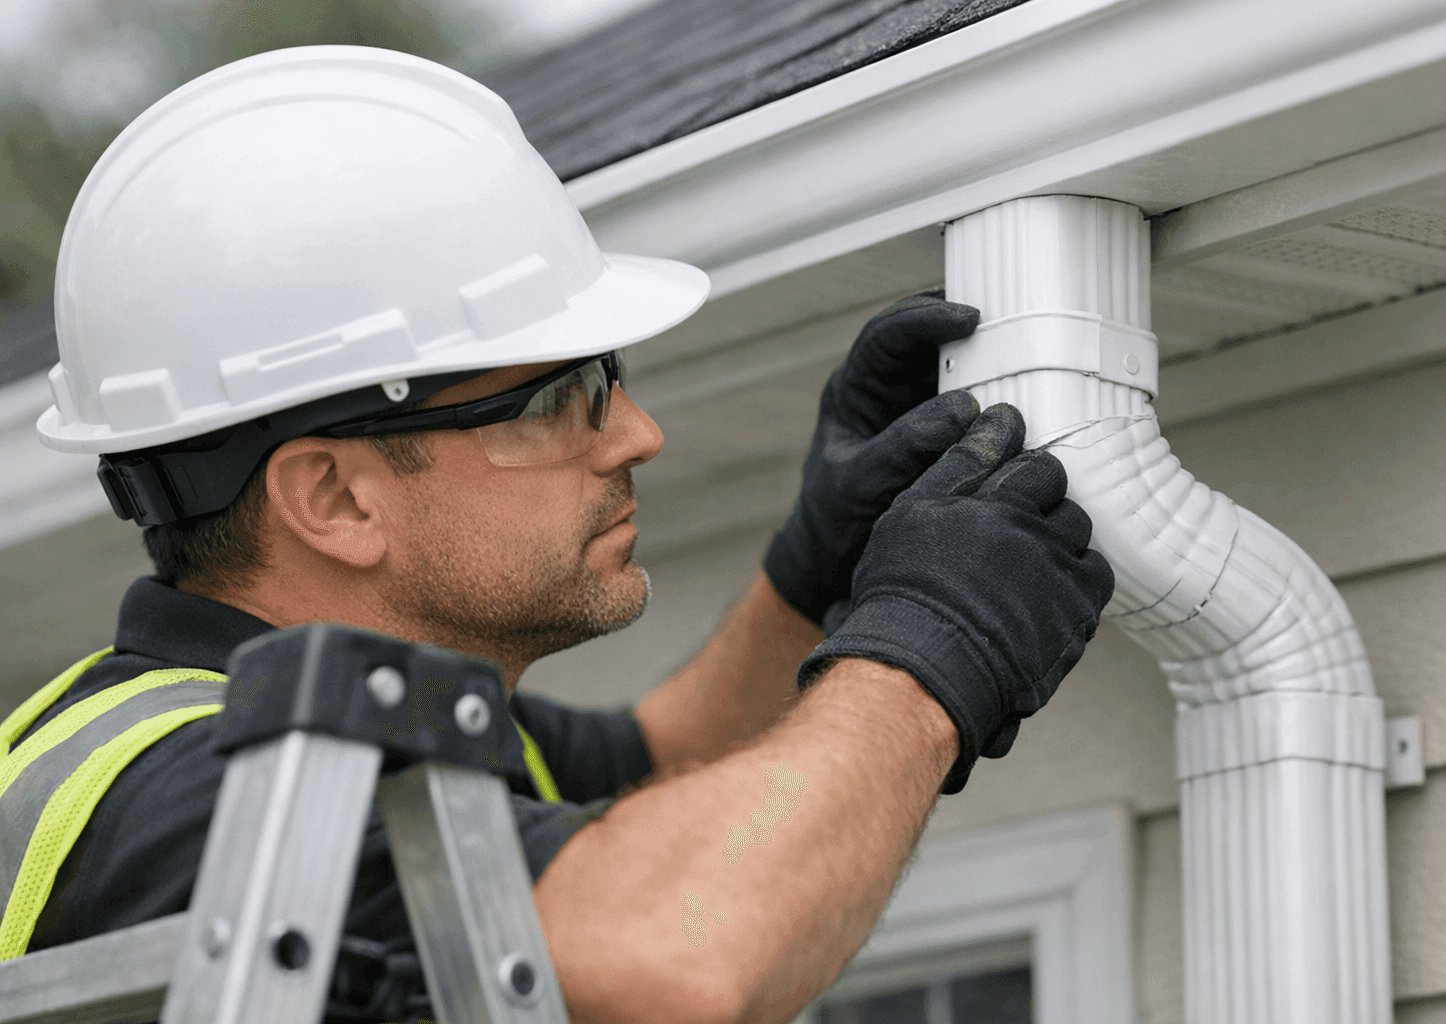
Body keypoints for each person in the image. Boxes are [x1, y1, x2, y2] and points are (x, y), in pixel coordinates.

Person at [0, 45, 1114, 1024]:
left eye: (608, 380)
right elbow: (680, 954)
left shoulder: (386, 738)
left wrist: (814, 575)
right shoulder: (185, 797)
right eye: (550, 400)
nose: (637, 433)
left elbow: (661, 765)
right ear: (336, 499)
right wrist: (930, 652)